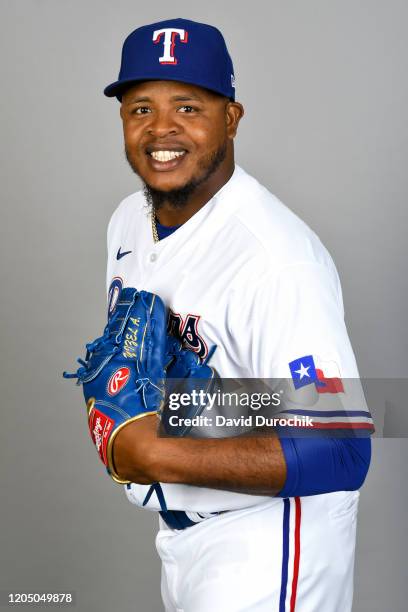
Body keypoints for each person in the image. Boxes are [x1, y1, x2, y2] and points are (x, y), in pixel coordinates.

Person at [101, 18, 374, 611]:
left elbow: (343, 447)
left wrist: (151, 450)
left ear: (231, 117)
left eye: (189, 107)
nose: (162, 129)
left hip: (272, 542)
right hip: (183, 536)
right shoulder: (127, 220)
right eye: (140, 108)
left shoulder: (276, 259)